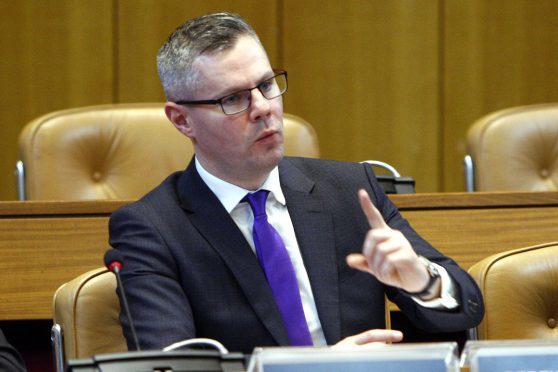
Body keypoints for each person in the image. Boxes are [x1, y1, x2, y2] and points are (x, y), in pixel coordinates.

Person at [109, 12, 483, 354]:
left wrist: (423, 281)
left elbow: (466, 308)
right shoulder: (151, 230)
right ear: (181, 120)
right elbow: (172, 367)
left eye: (267, 85)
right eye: (233, 98)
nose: (263, 108)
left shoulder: (349, 191)